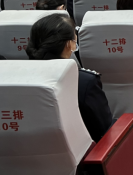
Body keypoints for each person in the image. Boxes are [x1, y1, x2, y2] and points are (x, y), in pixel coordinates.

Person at [26, 14, 113, 143]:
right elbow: (104, 128)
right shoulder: (84, 82)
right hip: (84, 152)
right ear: (69, 44)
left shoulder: (20, 79)